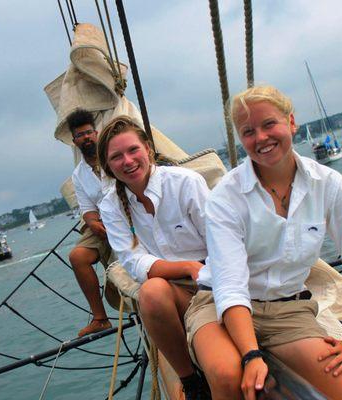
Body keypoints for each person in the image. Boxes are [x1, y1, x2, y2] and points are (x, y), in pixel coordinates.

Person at [185, 85, 342, 400]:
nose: (261, 138)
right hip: (220, 306)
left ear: (291, 122)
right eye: (248, 131)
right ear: (240, 139)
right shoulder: (227, 195)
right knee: (227, 375)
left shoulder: (327, 185)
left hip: (288, 310)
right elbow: (230, 285)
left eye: (269, 124)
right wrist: (250, 355)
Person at [97, 116, 211, 400]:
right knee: (150, 293)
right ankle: (192, 381)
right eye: (116, 157)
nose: (127, 161)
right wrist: (186, 266)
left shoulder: (185, 183)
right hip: (175, 286)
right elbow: (135, 263)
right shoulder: (111, 205)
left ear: (148, 149)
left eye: (133, 150)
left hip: (212, 281)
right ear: (108, 167)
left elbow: (221, 241)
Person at [67, 109, 114, 337]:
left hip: (126, 215)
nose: (85, 138)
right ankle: (100, 318)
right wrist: (93, 223)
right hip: (102, 223)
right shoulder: (79, 175)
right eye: (79, 135)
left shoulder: (113, 154)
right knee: (77, 257)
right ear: (74, 141)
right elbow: (86, 208)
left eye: (88, 133)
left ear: (97, 133)